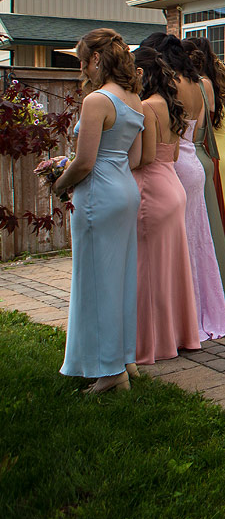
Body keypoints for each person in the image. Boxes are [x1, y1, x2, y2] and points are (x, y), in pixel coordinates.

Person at [53, 29, 144, 394]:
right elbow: (135, 158)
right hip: (124, 190)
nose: (80, 68)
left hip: (97, 196)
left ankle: (109, 373)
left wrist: (60, 182)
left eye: (81, 60)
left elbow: (85, 161)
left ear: (95, 58)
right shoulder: (134, 99)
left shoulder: (96, 101)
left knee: (95, 283)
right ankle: (124, 358)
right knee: (119, 279)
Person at [140, 33, 225, 339]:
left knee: (178, 245)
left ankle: (180, 316)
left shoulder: (167, 87)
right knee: (198, 242)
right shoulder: (201, 84)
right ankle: (204, 308)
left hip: (173, 164)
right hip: (196, 163)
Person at [131, 47, 202, 364]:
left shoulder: (146, 107)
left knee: (149, 271)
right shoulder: (171, 106)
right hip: (174, 187)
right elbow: (172, 156)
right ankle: (180, 335)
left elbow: (144, 158)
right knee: (174, 268)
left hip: (152, 189)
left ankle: (153, 343)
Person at [183, 37, 225, 293]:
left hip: (211, 153)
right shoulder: (221, 85)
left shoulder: (200, 87)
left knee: (214, 221)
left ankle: (222, 280)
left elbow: (200, 129)